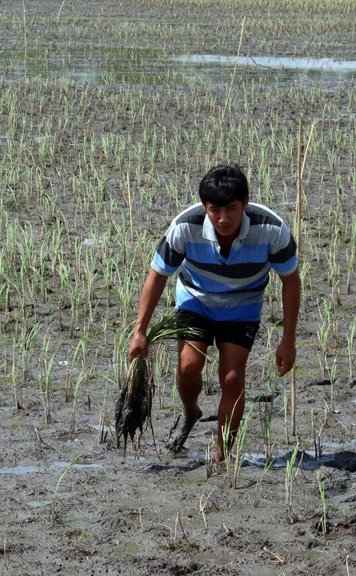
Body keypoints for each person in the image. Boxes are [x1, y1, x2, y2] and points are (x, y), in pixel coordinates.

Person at [128, 164, 301, 461]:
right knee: (188, 367)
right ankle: (190, 410)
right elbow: (156, 277)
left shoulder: (271, 229)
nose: (223, 219)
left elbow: (291, 282)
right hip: (196, 300)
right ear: (204, 206)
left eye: (231, 209)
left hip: (243, 306)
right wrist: (139, 331)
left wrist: (288, 340)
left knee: (232, 378)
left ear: (245, 203)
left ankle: (223, 455)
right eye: (214, 210)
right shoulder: (185, 225)